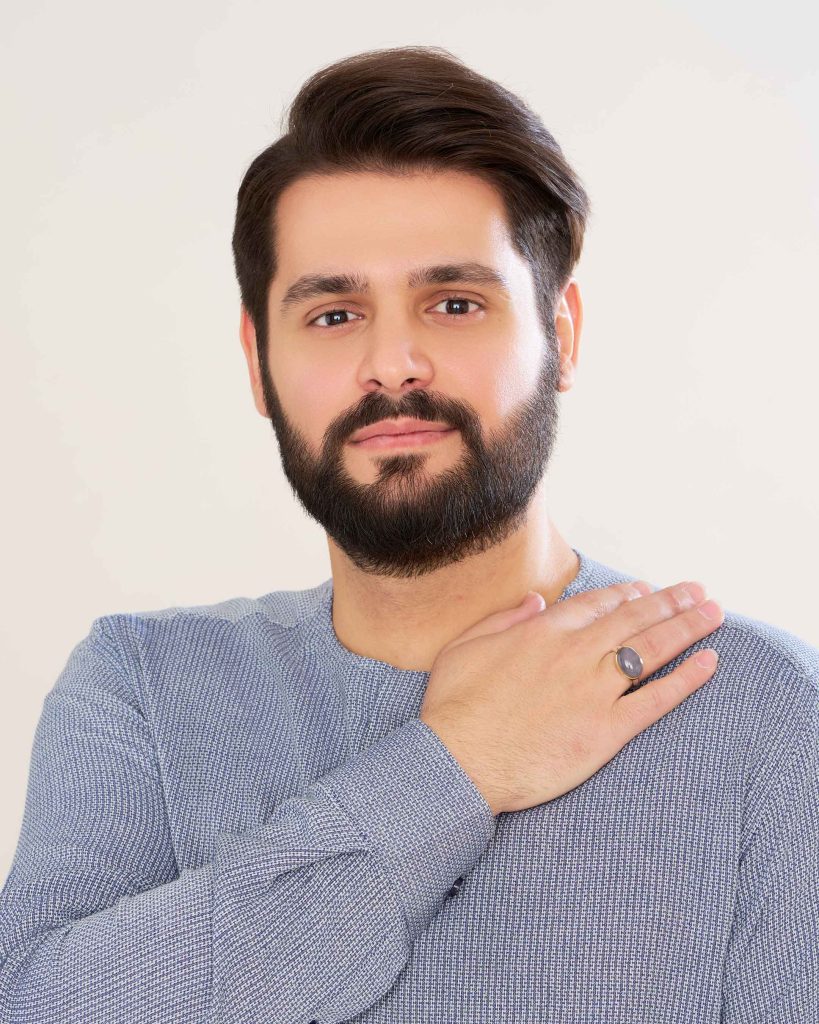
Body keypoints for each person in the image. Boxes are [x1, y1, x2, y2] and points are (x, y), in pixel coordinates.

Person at [1, 44, 816, 1024]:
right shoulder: (140, 691)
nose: (392, 363)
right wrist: (456, 766)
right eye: (333, 313)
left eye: (455, 303)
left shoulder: (768, 717)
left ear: (561, 336)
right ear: (258, 363)